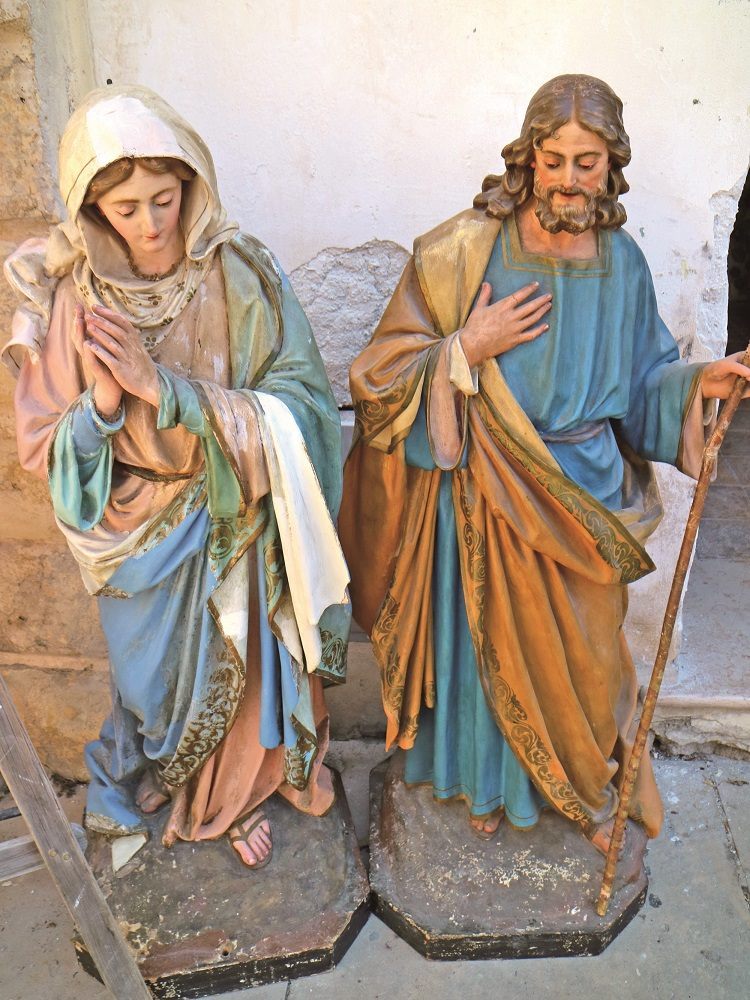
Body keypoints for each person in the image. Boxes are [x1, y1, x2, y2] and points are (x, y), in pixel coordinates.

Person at [339, 74, 749, 851]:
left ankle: (581, 786)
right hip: (485, 488)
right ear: (528, 157)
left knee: (588, 664)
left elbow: (643, 384)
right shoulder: (465, 252)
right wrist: (465, 348)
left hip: (584, 496)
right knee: (481, 651)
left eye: (585, 162)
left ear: (611, 166)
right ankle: (486, 787)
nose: (567, 178)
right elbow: (380, 374)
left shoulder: (622, 264)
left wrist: (698, 387)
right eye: (553, 159)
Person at [4, 85, 350, 869]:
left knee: (245, 662)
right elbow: (51, 455)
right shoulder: (74, 299)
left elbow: (302, 408)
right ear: (92, 209)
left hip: (234, 507)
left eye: (164, 198)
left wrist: (167, 391)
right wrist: (102, 403)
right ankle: (171, 773)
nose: (151, 223)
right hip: (133, 531)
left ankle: (235, 798)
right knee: (154, 689)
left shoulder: (237, 271)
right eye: (125, 208)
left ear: (192, 183)